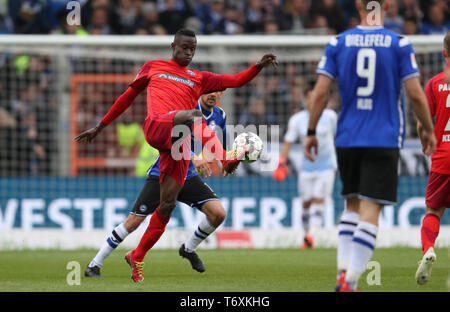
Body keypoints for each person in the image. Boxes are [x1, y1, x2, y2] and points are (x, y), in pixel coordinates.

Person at [75, 28, 278, 283]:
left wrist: (257, 66)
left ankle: (138, 256)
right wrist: (101, 126)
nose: (189, 52)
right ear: (173, 46)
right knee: (192, 115)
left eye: (193, 49)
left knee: (167, 206)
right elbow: (128, 97)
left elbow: (235, 80)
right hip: (158, 126)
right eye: (184, 47)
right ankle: (225, 157)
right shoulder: (153, 67)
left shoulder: (199, 77)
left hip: (176, 147)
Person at [304, 0, 436, 292]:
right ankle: (350, 282)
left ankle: (342, 274)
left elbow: (321, 91)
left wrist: (311, 130)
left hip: (348, 137)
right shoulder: (399, 43)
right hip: (382, 137)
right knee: (370, 211)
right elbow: (415, 94)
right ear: (386, 6)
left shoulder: (338, 42)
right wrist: (428, 129)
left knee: (351, 206)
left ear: (357, 5)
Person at [84, 91, 228, 278]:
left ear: (222, 93)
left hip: (189, 176)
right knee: (134, 221)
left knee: (218, 213)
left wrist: (226, 159)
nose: (213, 95)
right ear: (201, 92)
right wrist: (193, 157)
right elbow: (172, 140)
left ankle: (188, 249)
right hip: (165, 171)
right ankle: (95, 264)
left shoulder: (220, 116)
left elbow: (221, 142)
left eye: (217, 91)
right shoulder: (187, 110)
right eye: (208, 91)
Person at [273, 87, 337, 249]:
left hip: (327, 167)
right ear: (305, 99)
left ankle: (311, 235)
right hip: (306, 168)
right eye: (309, 97)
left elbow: (338, 137)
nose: (312, 101)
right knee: (306, 203)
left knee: (318, 199)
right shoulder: (297, 120)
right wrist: (282, 162)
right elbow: (288, 142)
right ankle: (307, 235)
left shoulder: (330, 116)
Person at [415, 31, 450, 285]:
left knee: (433, 211)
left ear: (444, 53)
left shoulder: (435, 83)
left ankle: (428, 248)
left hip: (442, 156)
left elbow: (421, 122)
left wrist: (424, 142)